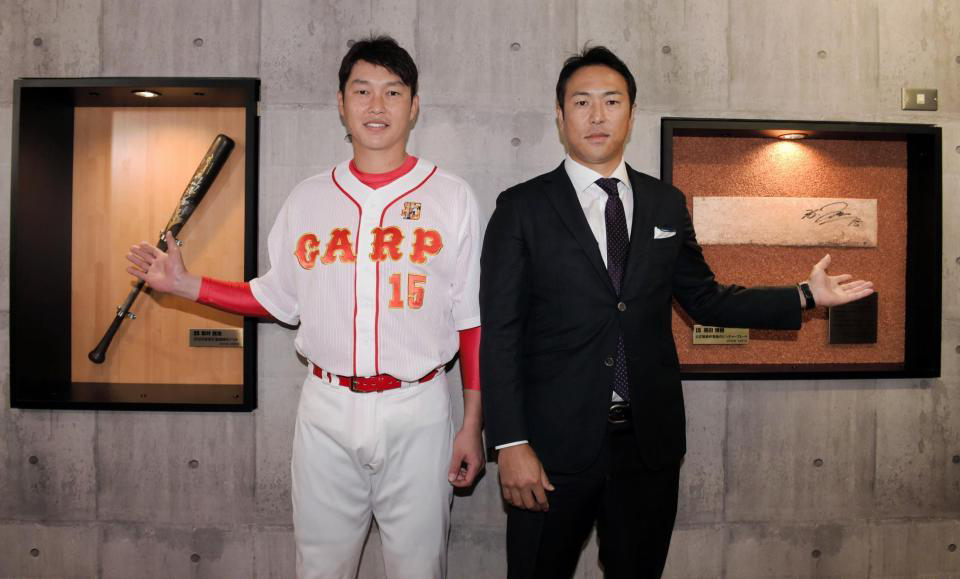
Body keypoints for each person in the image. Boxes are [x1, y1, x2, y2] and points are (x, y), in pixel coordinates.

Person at [479, 46, 874, 578]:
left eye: (611, 101)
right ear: (560, 114)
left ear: (631, 113)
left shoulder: (665, 202)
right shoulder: (521, 207)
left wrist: (802, 296)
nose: (597, 116)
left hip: (647, 446)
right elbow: (500, 334)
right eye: (582, 102)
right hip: (551, 447)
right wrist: (510, 442)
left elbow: (705, 298)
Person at [126, 36, 485, 579]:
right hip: (326, 407)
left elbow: (471, 321)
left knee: (420, 568)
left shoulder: (451, 196)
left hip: (418, 407)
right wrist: (186, 284)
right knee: (319, 568)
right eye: (362, 90)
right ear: (341, 103)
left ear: (414, 106)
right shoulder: (309, 198)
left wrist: (472, 424)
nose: (377, 105)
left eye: (393, 92)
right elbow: (274, 297)